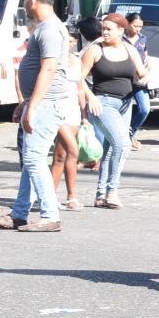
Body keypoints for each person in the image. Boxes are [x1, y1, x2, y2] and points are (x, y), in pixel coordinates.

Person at [0, 0, 75, 234]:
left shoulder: (49, 29)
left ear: (33, 0)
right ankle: (19, 214)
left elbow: (48, 68)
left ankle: (50, 215)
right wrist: (26, 103)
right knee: (31, 159)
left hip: (47, 104)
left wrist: (33, 106)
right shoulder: (47, 27)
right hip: (41, 102)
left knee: (34, 159)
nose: (24, 4)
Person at [80, 13, 149, 209]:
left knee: (111, 149)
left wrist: (147, 74)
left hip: (125, 104)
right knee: (123, 145)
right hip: (103, 103)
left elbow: (141, 73)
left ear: (121, 30)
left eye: (109, 29)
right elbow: (78, 77)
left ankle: (101, 195)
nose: (105, 32)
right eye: (103, 28)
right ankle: (112, 191)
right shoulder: (95, 50)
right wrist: (91, 97)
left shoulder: (129, 49)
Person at [51, 17, 96, 210]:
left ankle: (71, 195)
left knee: (69, 154)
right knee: (65, 152)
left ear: (75, 41)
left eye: (69, 40)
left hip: (73, 111)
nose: (66, 44)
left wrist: (84, 114)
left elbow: (79, 88)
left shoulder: (77, 60)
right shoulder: (53, 60)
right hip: (56, 108)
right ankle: (49, 196)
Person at [122, 12, 151, 148]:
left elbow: (146, 57)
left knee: (144, 108)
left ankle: (130, 134)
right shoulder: (120, 38)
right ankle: (122, 139)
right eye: (135, 26)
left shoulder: (143, 38)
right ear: (127, 24)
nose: (138, 29)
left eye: (140, 27)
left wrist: (148, 70)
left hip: (139, 81)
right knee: (123, 110)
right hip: (123, 80)